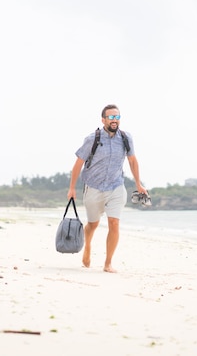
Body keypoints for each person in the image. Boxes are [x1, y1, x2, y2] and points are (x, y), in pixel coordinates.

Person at [67, 104, 148, 273]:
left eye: (117, 117)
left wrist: (138, 184)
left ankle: (108, 263)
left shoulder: (126, 138)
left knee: (114, 223)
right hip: (94, 187)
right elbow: (78, 164)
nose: (114, 120)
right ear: (103, 119)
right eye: (111, 117)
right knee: (93, 224)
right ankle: (87, 246)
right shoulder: (92, 139)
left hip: (116, 186)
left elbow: (132, 160)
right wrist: (72, 188)